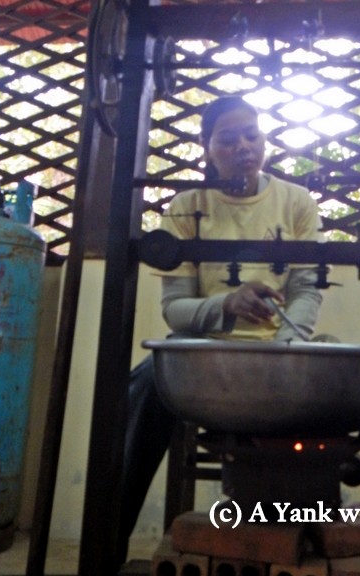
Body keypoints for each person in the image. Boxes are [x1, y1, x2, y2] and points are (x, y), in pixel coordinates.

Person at [117, 95, 323, 563]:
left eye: (252, 135)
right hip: (201, 357)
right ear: (207, 147)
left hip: (275, 350)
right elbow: (175, 310)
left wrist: (288, 345)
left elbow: (309, 288)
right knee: (140, 392)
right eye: (228, 140)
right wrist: (225, 304)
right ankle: (106, 547)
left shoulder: (296, 202)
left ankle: (302, 545)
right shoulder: (188, 206)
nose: (244, 147)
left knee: (329, 387)